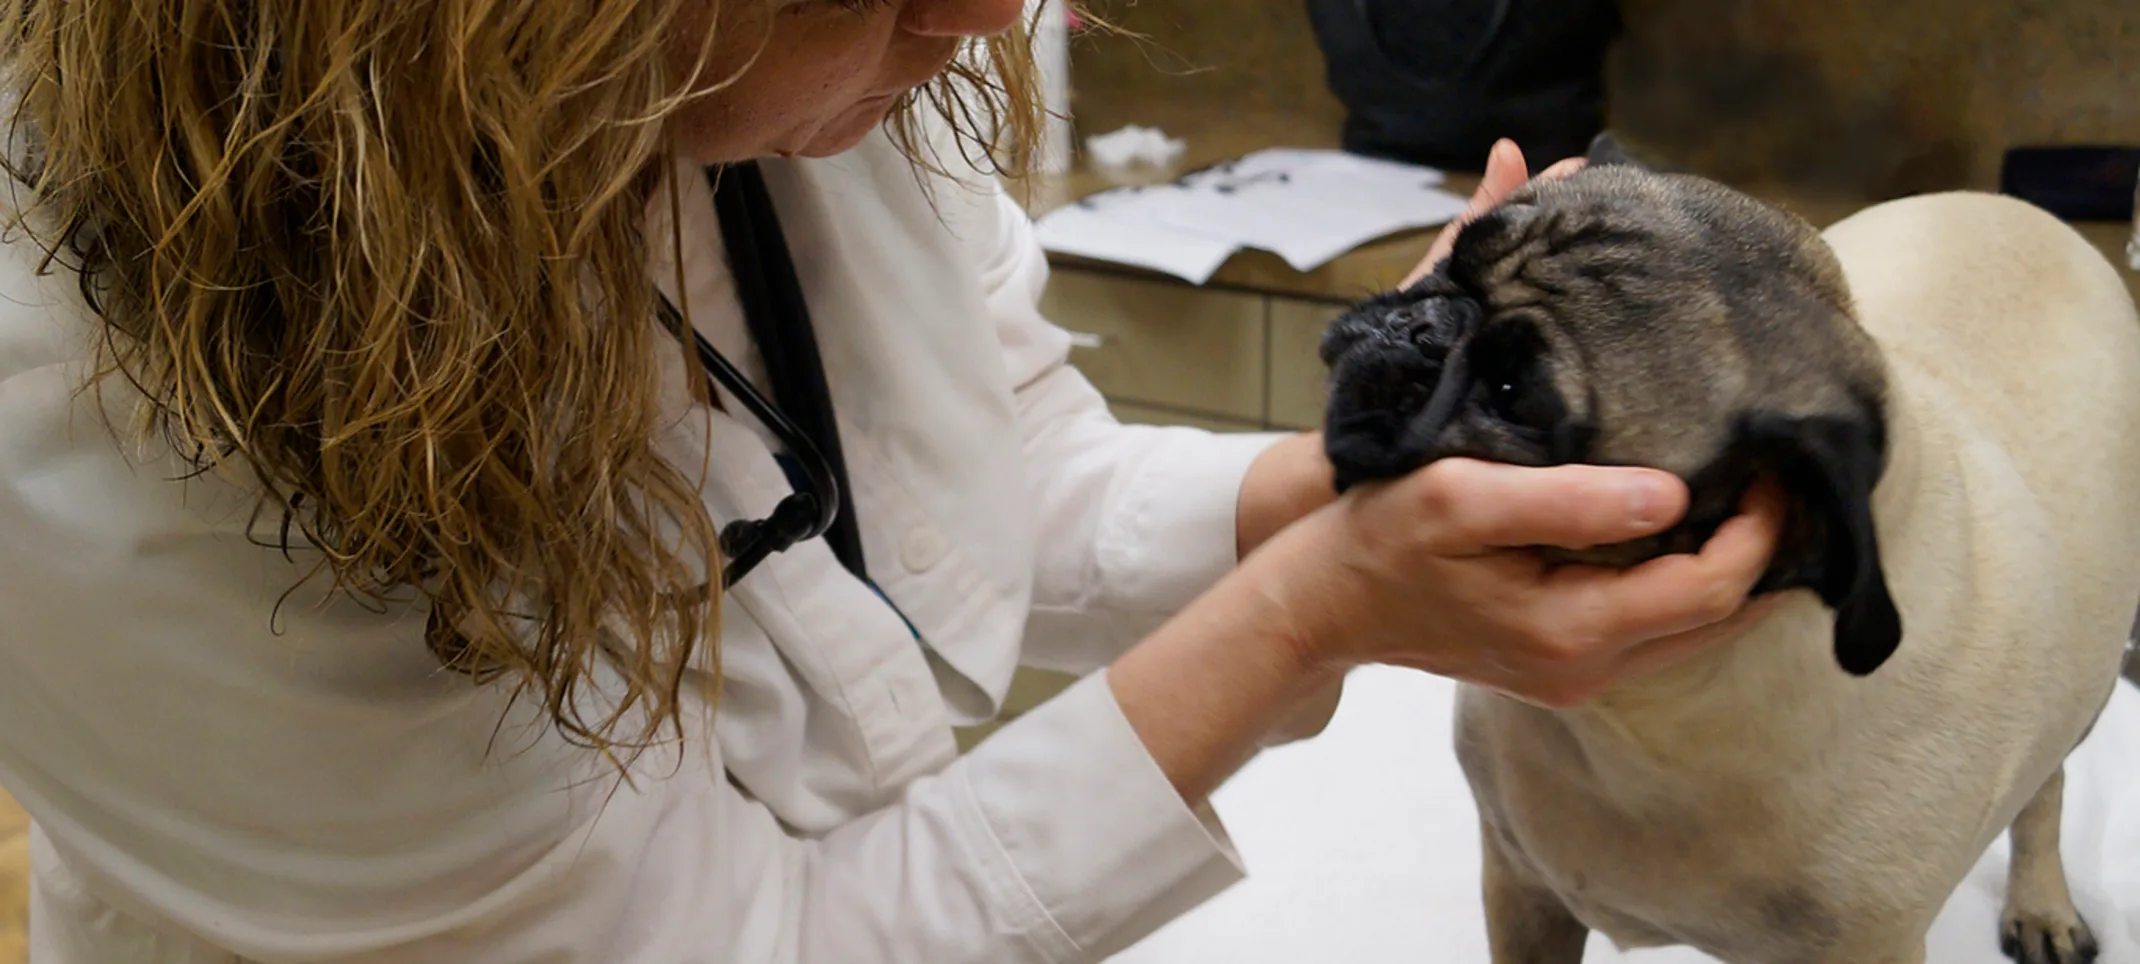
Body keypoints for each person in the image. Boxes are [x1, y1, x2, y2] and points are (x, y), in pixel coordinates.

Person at [0, 1, 1783, 961]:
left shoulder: (770, 81)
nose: (980, 12)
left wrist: (1364, 478)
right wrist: (1307, 614)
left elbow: (984, 468)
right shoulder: (119, 413)